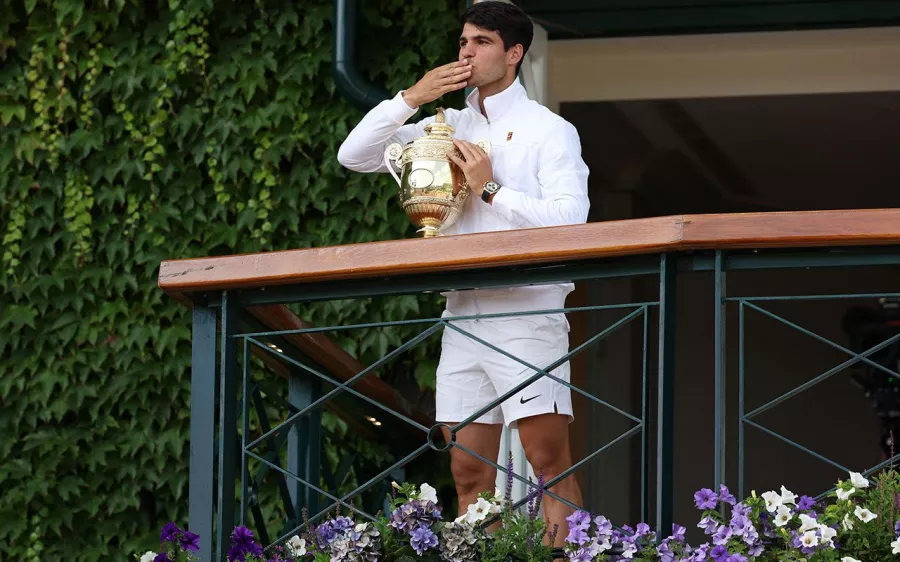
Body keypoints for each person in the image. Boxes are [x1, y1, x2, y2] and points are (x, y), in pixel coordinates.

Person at [337, 1, 589, 545]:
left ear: (514, 53)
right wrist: (411, 98)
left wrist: (490, 188)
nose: (466, 52)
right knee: (467, 472)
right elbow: (353, 155)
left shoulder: (551, 130)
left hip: (527, 311)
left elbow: (571, 221)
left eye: (481, 42)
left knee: (549, 461)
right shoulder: (438, 125)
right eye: (462, 42)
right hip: (462, 315)